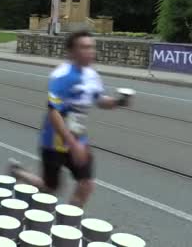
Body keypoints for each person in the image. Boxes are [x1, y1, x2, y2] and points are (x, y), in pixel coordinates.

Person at [10, 31, 132, 208]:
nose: (90, 51)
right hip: (54, 143)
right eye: (84, 47)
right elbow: (54, 113)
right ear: (71, 52)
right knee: (50, 188)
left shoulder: (92, 75)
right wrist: (72, 145)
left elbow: (99, 100)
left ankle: (67, 226)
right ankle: (19, 173)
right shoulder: (61, 76)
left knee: (86, 185)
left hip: (78, 140)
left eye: (91, 47)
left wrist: (118, 101)